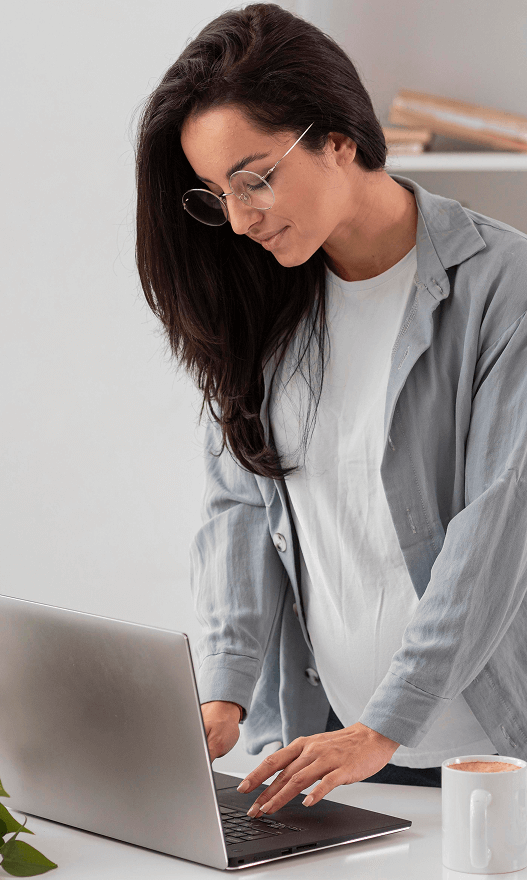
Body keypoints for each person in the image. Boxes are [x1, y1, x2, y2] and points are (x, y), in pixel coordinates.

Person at [135, 3, 527, 816]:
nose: (241, 220)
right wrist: (225, 694)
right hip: (326, 756)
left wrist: (383, 725)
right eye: (217, 194)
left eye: (255, 177)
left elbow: (498, 524)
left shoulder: (503, 286)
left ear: (338, 137)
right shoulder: (266, 306)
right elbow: (241, 505)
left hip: (489, 760)